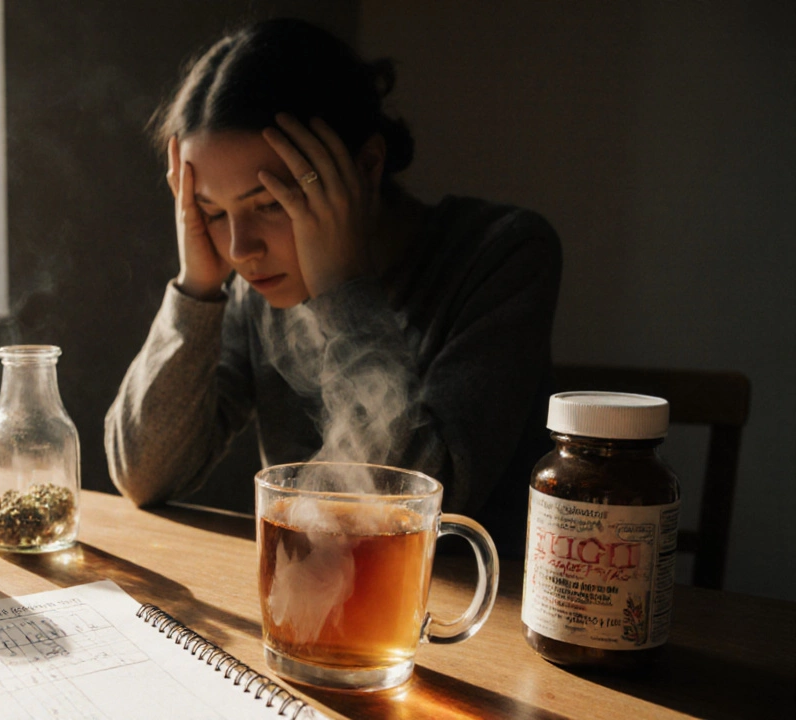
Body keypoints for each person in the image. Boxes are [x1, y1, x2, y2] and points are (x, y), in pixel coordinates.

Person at [104, 18, 561, 552]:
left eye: (270, 204)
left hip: (465, 615)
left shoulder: (503, 253)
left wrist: (343, 290)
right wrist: (197, 289)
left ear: (365, 166)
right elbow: (143, 473)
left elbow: (404, 517)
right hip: (305, 603)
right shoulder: (256, 284)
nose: (239, 250)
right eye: (213, 212)